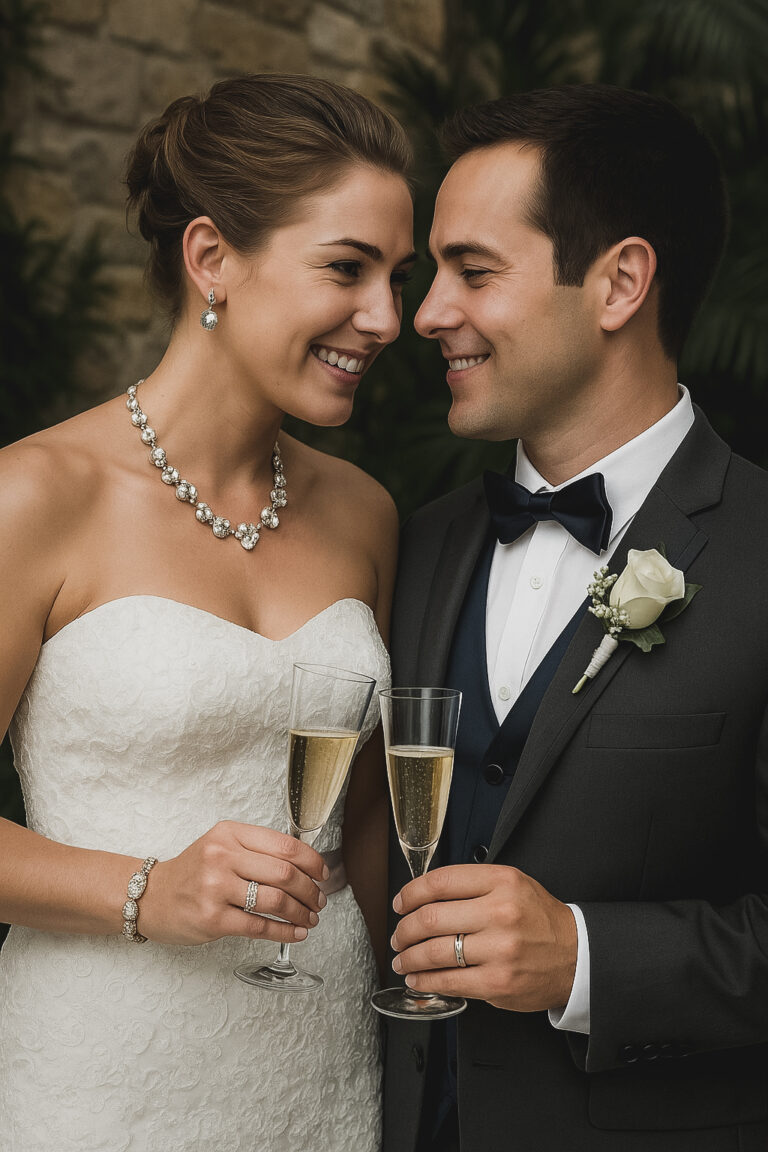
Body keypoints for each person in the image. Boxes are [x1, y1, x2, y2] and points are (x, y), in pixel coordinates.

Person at [0, 73, 415, 1151]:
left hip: (324, 1079)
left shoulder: (365, 514)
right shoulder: (37, 497)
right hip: (103, 1081)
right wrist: (149, 890)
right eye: (346, 269)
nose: (386, 319)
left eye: (395, 277)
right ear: (211, 259)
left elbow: (368, 829)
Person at [383, 84, 768, 1152]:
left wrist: (586, 957)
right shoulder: (415, 547)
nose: (424, 316)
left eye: (473, 271)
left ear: (620, 283)